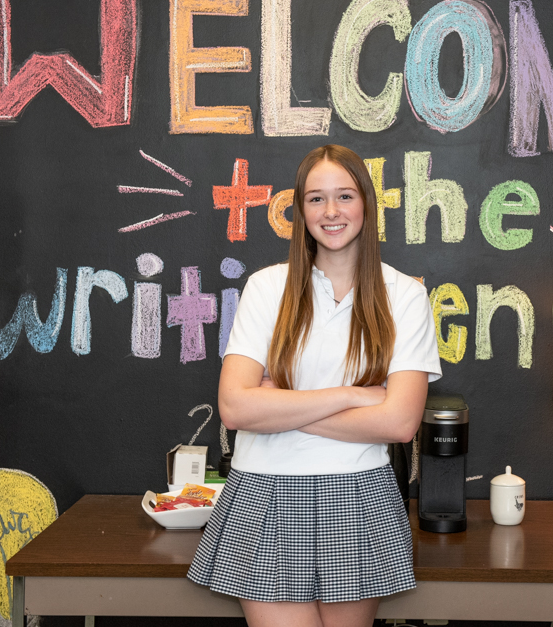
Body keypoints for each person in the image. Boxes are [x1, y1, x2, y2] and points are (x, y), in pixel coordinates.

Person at [188, 144, 442, 627]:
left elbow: (400, 421)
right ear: (300, 211)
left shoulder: (405, 296)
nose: (331, 212)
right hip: (263, 493)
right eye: (315, 199)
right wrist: (353, 395)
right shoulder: (267, 287)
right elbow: (236, 410)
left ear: (366, 203)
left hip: (358, 497)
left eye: (344, 196)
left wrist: (279, 407)